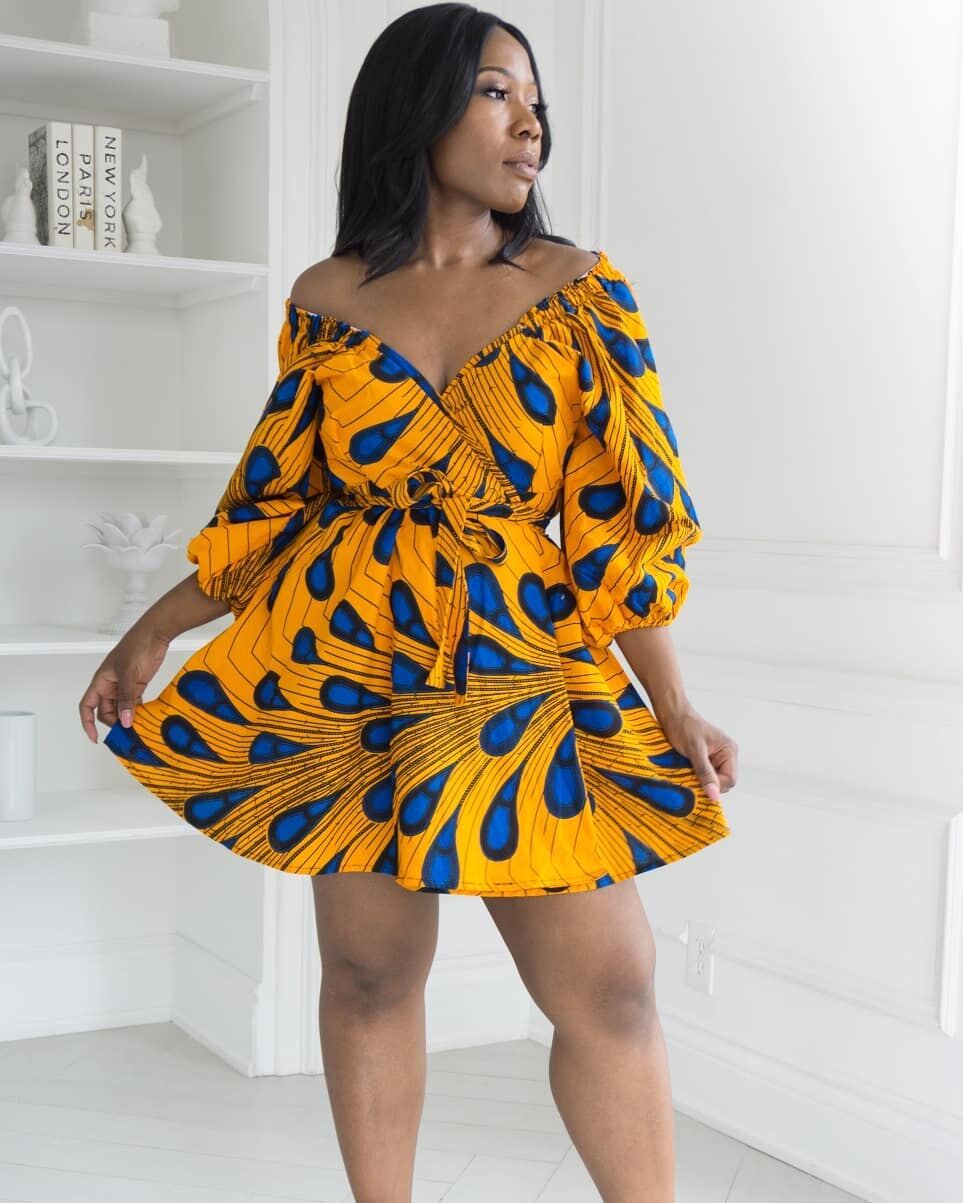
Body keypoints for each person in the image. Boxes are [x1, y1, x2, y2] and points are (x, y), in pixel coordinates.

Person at [78, 4, 738, 1199]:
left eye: (536, 101)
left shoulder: (579, 291)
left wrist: (673, 701)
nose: (530, 124)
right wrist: (150, 631)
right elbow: (274, 513)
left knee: (612, 990)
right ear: (415, 106)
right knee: (370, 978)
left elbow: (618, 526)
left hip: (521, 674)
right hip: (358, 672)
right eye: (496, 92)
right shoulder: (328, 300)